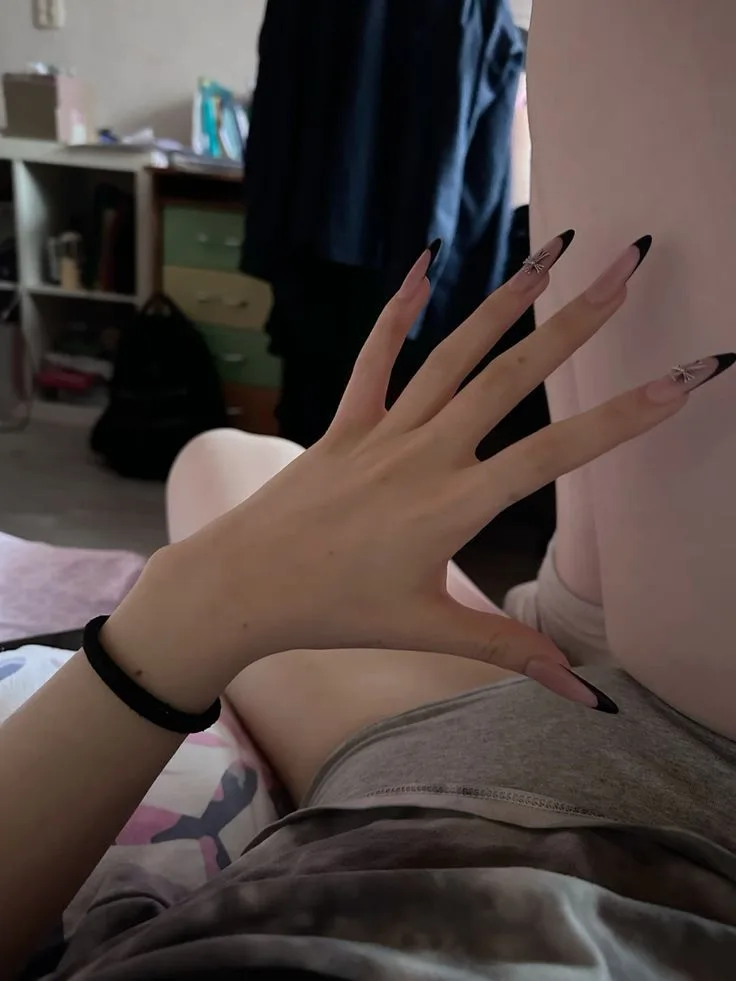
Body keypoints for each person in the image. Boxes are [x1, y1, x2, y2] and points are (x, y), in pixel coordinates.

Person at [2, 223, 735, 980]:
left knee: (220, 454)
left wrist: (186, 614)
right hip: (498, 793)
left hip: (425, 798)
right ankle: (571, 607)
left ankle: (570, 608)